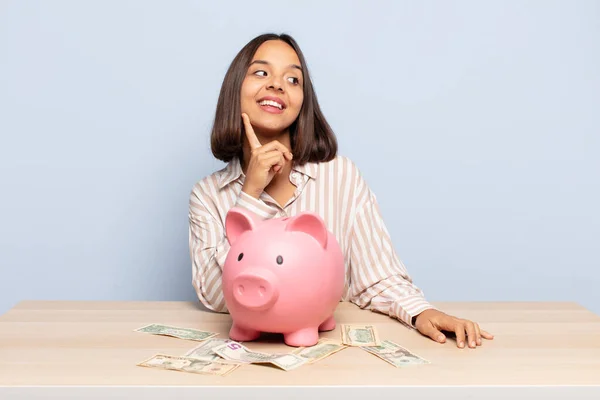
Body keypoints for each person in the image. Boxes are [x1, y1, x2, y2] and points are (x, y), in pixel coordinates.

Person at [188, 33, 494, 349]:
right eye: (261, 73)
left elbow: (377, 276)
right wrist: (249, 195)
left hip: (330, 353)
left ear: (302, 101)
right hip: (246, 363)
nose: (277, 85)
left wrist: (420, 312)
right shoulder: (208, 195)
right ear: (234, 89)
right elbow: (215, 298)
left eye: (293, 79)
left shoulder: (340, 176)